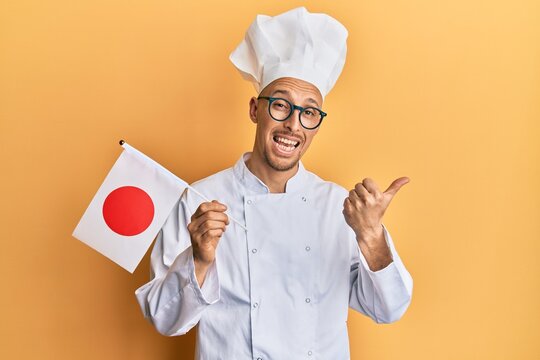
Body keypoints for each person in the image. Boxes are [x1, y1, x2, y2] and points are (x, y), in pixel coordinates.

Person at [135, 7, 413, 359]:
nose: (293, 125)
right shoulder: (199, 200)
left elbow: (389, 309)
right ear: (255, 109)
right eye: (280, 105)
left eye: (309, 112)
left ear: (317, 123)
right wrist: (200, 260)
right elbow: (163, 319)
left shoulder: (339, 208)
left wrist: (372, 236)